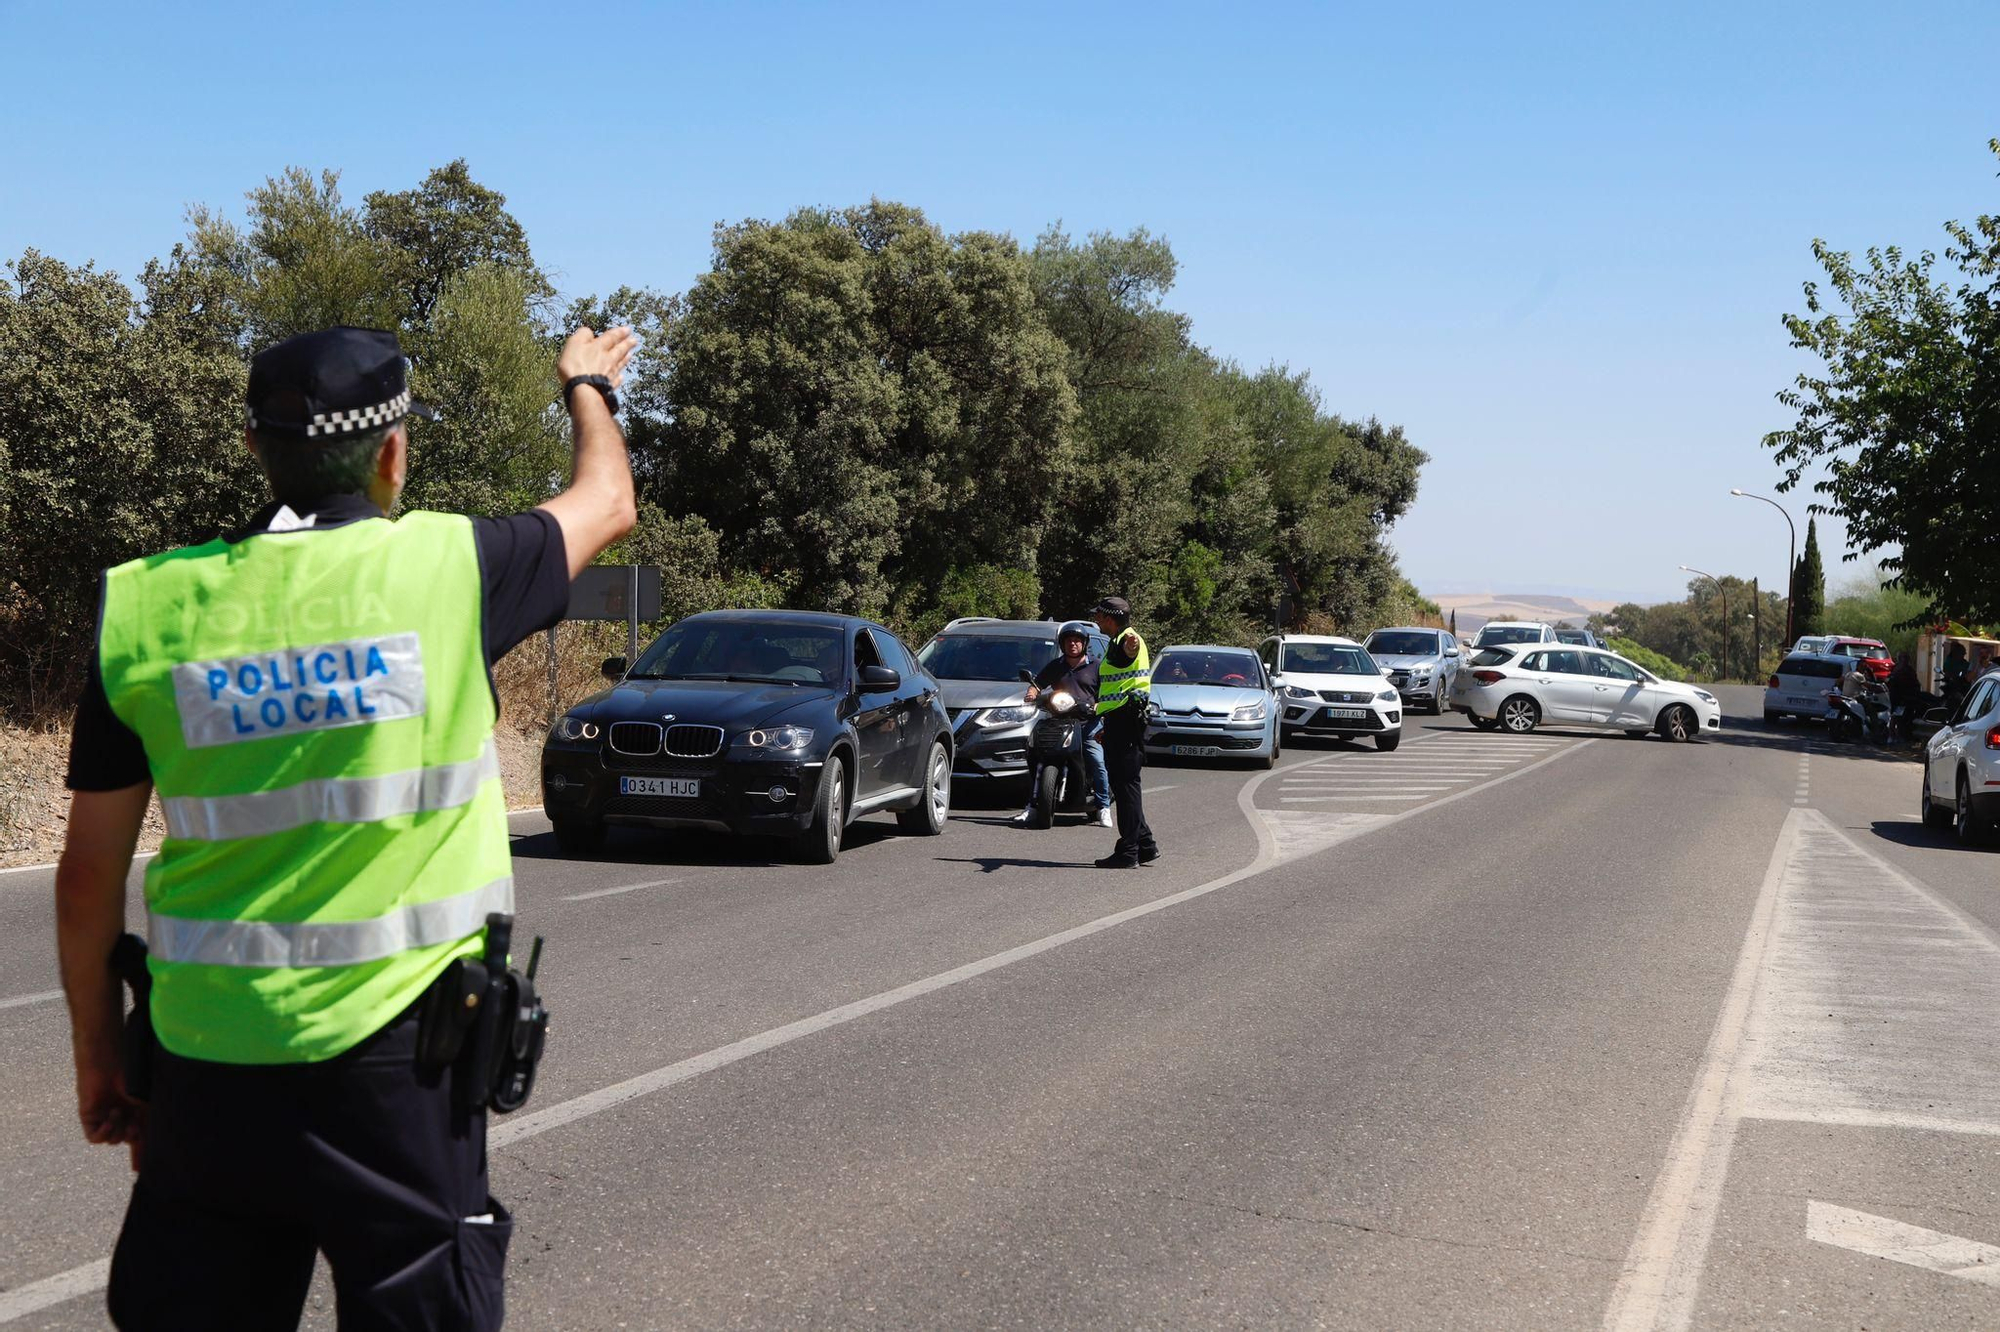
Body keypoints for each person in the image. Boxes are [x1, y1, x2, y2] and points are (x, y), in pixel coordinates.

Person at [55, 323, 638, 1329]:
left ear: (252, 447)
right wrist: (588, 386)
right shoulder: (450, 569)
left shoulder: (143, 609)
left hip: (206, 1070)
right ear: (392, 454)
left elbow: (85, 876)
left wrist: (103, 1057)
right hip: (401, 1073)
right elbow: (607, 501)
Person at [1010, 622, 1111, 828]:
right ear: (1063, 644)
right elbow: (1038, 684)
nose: (1073, 644)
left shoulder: (1097, 666)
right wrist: (1032, 693)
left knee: (1096, 759)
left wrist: (1097, 706)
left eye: (1077, 640)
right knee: (1037, 755)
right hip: (1059, 722)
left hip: (1086, 723)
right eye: (1069, 640)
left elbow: (1108, 693)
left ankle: (1103, 806)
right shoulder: (1056, 665)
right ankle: (1032, 806)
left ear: (1084, 644)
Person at [1089, 596, 1159, 869]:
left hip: (1127, 718)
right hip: (1120, 720)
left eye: (1099, 616)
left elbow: (1130, 652)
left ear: (1110, 618)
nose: (1096, 620)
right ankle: (1146, 845)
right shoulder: (1117, 641)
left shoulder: (1128, 640)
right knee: (1125, 785)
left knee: (1126, 787)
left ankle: (1128, 851)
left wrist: (1131, 648)